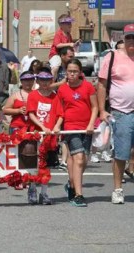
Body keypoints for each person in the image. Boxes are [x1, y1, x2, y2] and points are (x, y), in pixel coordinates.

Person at [97, 24, 134, 204]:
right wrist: (102, 110)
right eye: (129, 37)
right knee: (121, 153)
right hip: (122, 112)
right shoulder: (112, 57)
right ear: (123, 39)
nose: (132, 41)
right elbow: (102, 85)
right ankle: (118, 189)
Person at [57, 59, 98, 207]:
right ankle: (79, 195)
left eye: (75, 71)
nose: (72, 74)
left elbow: (94, 107)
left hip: (86, 128)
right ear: (66, 72)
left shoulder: (88, 87)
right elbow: (59, 110)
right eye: (69, 71)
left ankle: (72, 184)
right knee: (78, 158)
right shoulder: (62, 89)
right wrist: (57, 126)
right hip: (70, 128)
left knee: (81, 161)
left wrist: (91, 123)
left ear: (80, 72)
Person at [26, 69, 63, 205]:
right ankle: (32, 189)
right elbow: (31, 114)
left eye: (47, 80)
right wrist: (42, 127)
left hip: (49, 137)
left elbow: (60, 115)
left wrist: (57, 126)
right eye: (42, 80)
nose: (45, 83)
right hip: (35, 135)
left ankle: (44, 192)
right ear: (37, 81)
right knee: (33, 165)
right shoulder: (33, 95)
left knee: (46, 167)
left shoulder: (55, 96)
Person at [48, 14, 81, 80]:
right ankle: (51, 82)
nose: (70, 25)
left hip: (65, 55)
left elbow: (70, 46)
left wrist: (75, 45)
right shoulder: (58, 34)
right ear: (61, 25)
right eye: (67, 23)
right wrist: (69, 44)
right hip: (55, 54)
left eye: (70, 23)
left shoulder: (69, 35)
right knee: (55, 67)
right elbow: (57, 45)